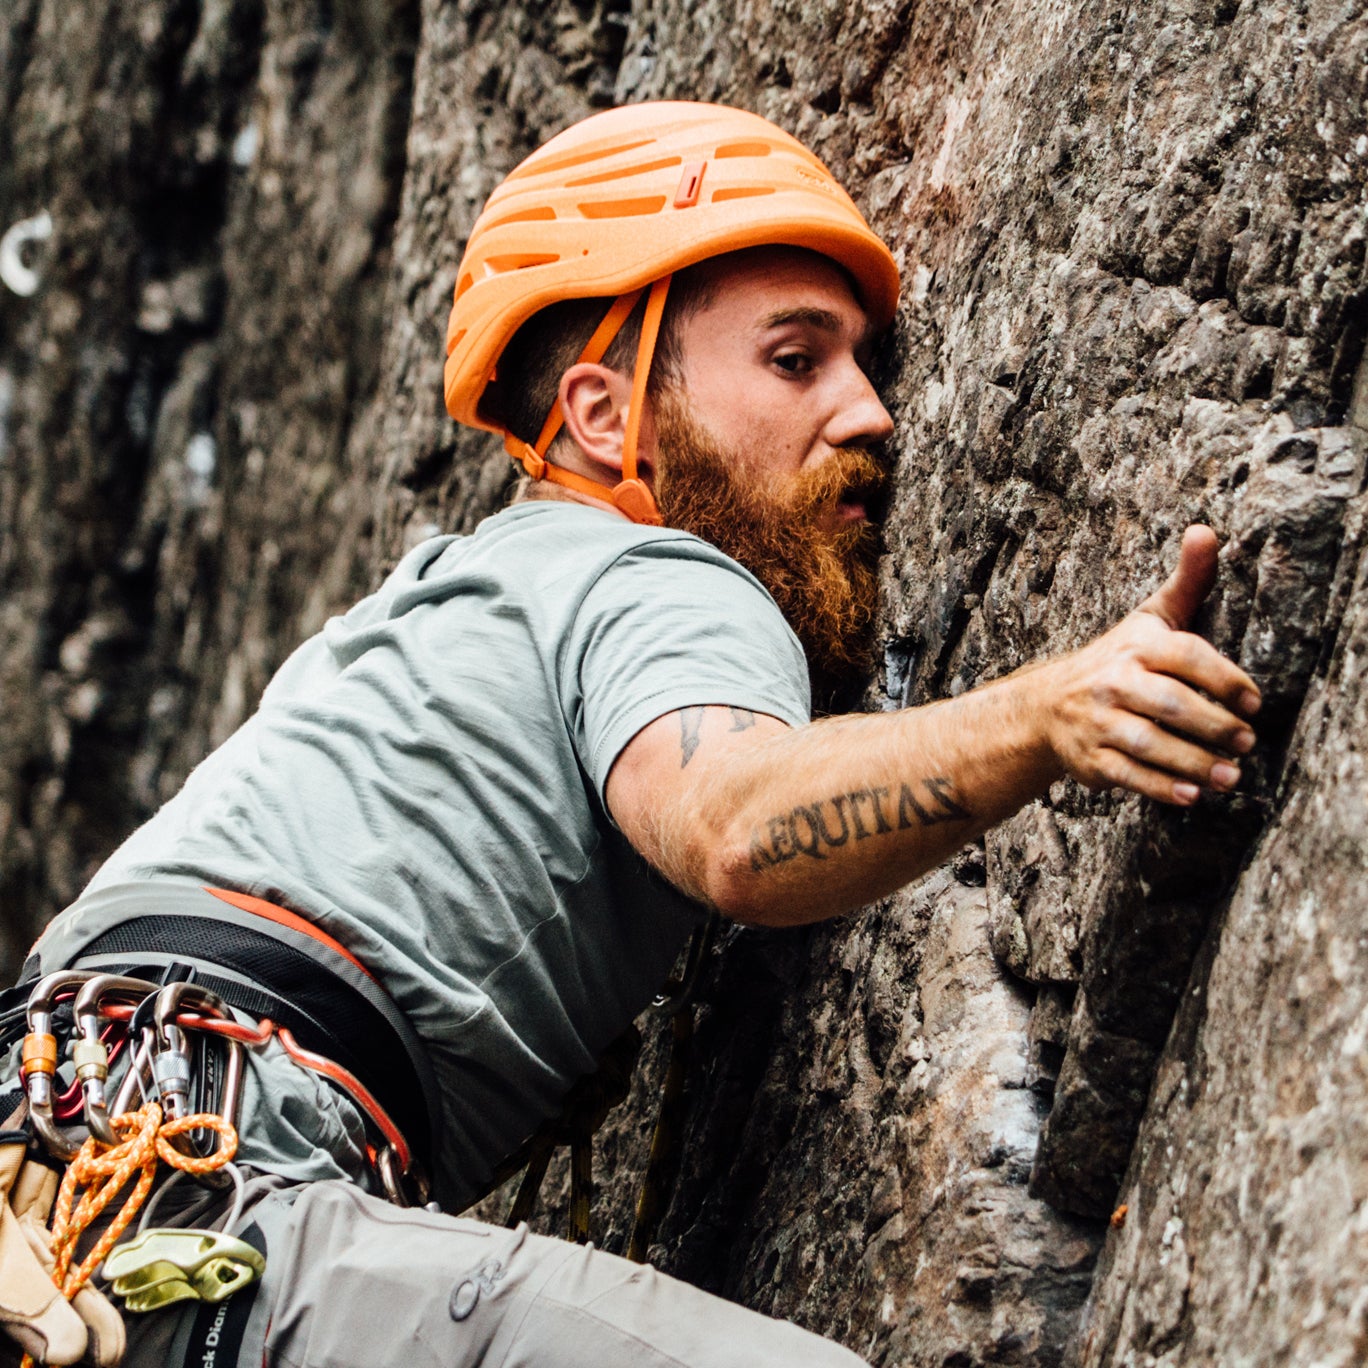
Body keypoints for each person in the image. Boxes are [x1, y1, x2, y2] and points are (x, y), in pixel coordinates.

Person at [0, 101, 1260, 1368]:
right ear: (604, 417)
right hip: (185, 1186)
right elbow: (739, 825)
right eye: (794, 359)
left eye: (867, 363)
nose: (870, 412)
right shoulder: (649, 571)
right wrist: (1045, 714)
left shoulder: (436, 615)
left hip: (84, 1175)